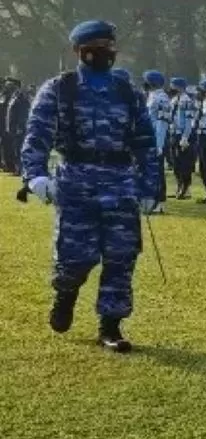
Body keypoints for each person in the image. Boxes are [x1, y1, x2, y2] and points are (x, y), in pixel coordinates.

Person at [20, 19, 158, 352]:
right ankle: (65, 292)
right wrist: (35, 175)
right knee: (75, 257)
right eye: (97, 46)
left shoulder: (127, 91)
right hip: (76, 182)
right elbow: (37, 134)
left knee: (121, 256)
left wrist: (150, 186)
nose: (105, 51)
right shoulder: (59, 89)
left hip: (120, 182)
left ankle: (111, 327)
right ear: (78, 50)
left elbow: (145, 142)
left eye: (109, 46)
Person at [143, 70, 172, 214]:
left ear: (152, 82)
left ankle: (160, 202)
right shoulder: (152, 96)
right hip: (150, 139)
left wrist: (159, 144)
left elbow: (162, 123)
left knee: (158, 172)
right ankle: (152, 200)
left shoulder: (162, 98)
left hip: (157, 139)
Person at [168, 77, 198, 199]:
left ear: (180, 87)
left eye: (173, 85)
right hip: (174, 134)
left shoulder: (187, 101)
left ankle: (186, 189)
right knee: (176, 163)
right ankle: (179, 186)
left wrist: (185, 137)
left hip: (183, 135)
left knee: (184, 163)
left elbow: (189, 121)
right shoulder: (174, 100)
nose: (171, 88)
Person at [4, 78, 31, 176]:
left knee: (19, 149)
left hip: (19, 129)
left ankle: (21, 169)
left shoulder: (21, 97)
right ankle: (18, 169)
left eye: (10, 85)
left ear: (15, 86)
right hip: (13, 128)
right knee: (15, 149)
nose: (7, 87)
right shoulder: (13, 97)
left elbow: (22, 113)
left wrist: (20, 127)